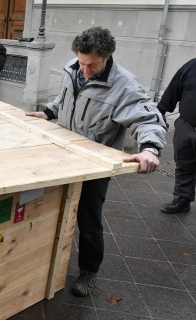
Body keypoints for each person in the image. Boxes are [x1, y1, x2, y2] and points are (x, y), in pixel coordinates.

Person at [25, 26, 166, 298]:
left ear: (108, 56)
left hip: (94, 164)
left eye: (92, 65)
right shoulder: (72, 68)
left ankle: (89, 271)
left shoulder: (124, 86)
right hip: (62, 154)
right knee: (49, 206)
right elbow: (66, 97)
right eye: (82, 62)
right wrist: (48, 112)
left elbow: (148, 118)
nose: (85, 70)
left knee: (89, 220)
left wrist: (150, 149)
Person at [157, 58, 196, 214]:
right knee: (184, 164)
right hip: (186, 127)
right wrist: (160, 112)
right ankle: (182, 199)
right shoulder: (192, 66)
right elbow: (174, 89)